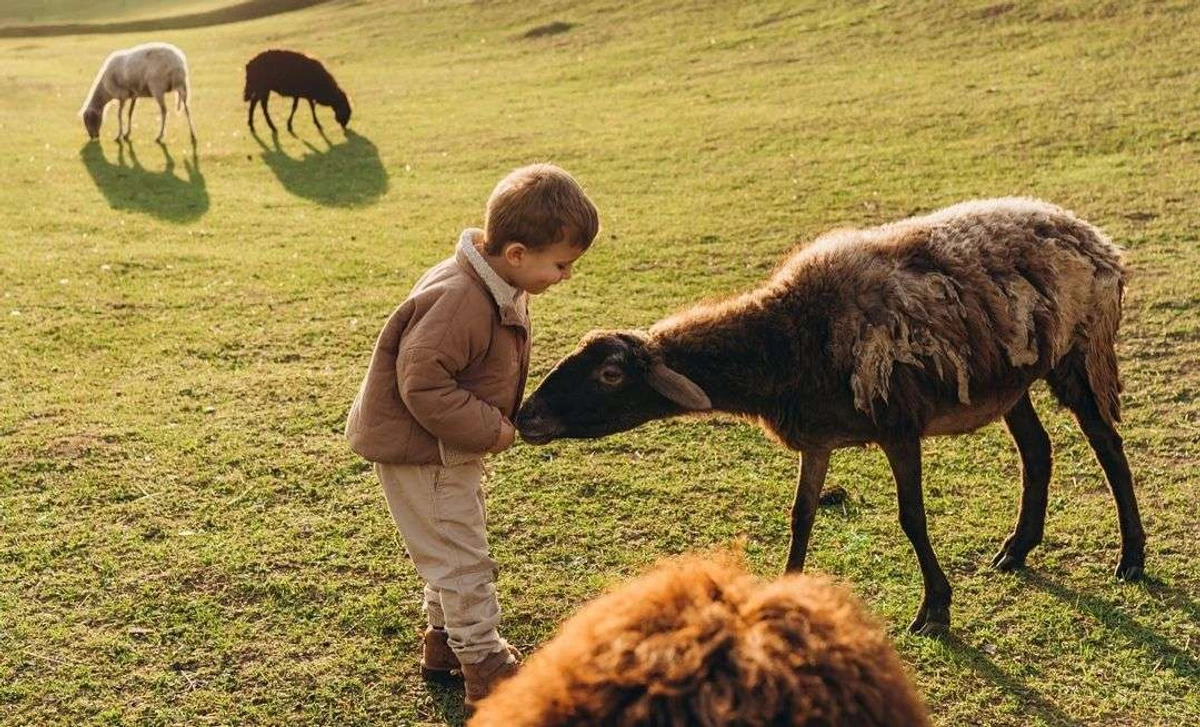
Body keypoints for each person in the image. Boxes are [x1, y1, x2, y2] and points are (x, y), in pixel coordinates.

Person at [345, 163, 599, 707]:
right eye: (561, 265)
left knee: (448, 545)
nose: (565, 277)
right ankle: (485, 665)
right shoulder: (461, 299)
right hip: (426, 450)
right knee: (462, 558)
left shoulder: (495, 281)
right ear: (516, 254)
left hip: (444, 446)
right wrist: (491, 429)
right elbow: (422, 382)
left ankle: (444, 644)